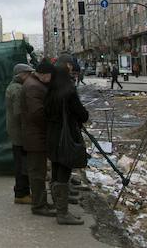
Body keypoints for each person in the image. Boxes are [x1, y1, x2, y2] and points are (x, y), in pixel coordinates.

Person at [45, 65, 90, 225]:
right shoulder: (69, 93)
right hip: (66, 138)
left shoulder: (50, 93)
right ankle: (63, 213)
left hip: (52, 138)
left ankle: (60, 209)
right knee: (64, 172)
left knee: (57, 172)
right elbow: (82, 115)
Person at [20, 60, 56, 217]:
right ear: (44, 74)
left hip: (35, 135)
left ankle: (41, 203)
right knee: (37, 173)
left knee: (38, 172)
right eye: (50, 76)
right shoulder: (33, 87)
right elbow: (37, 114)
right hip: (35, 137)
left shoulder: (34, 84)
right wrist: (51, 123)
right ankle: (39, 205)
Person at [6, 63, 34, 204]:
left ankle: (22, 191)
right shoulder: (17, 89)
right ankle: (21, 193)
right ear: (22, 75)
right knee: (22, 165)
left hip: (17, 132)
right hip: (20, 133)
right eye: (28, 74)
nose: (30, 77)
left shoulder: (15, 87)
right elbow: (19, 113)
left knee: (22, 163)